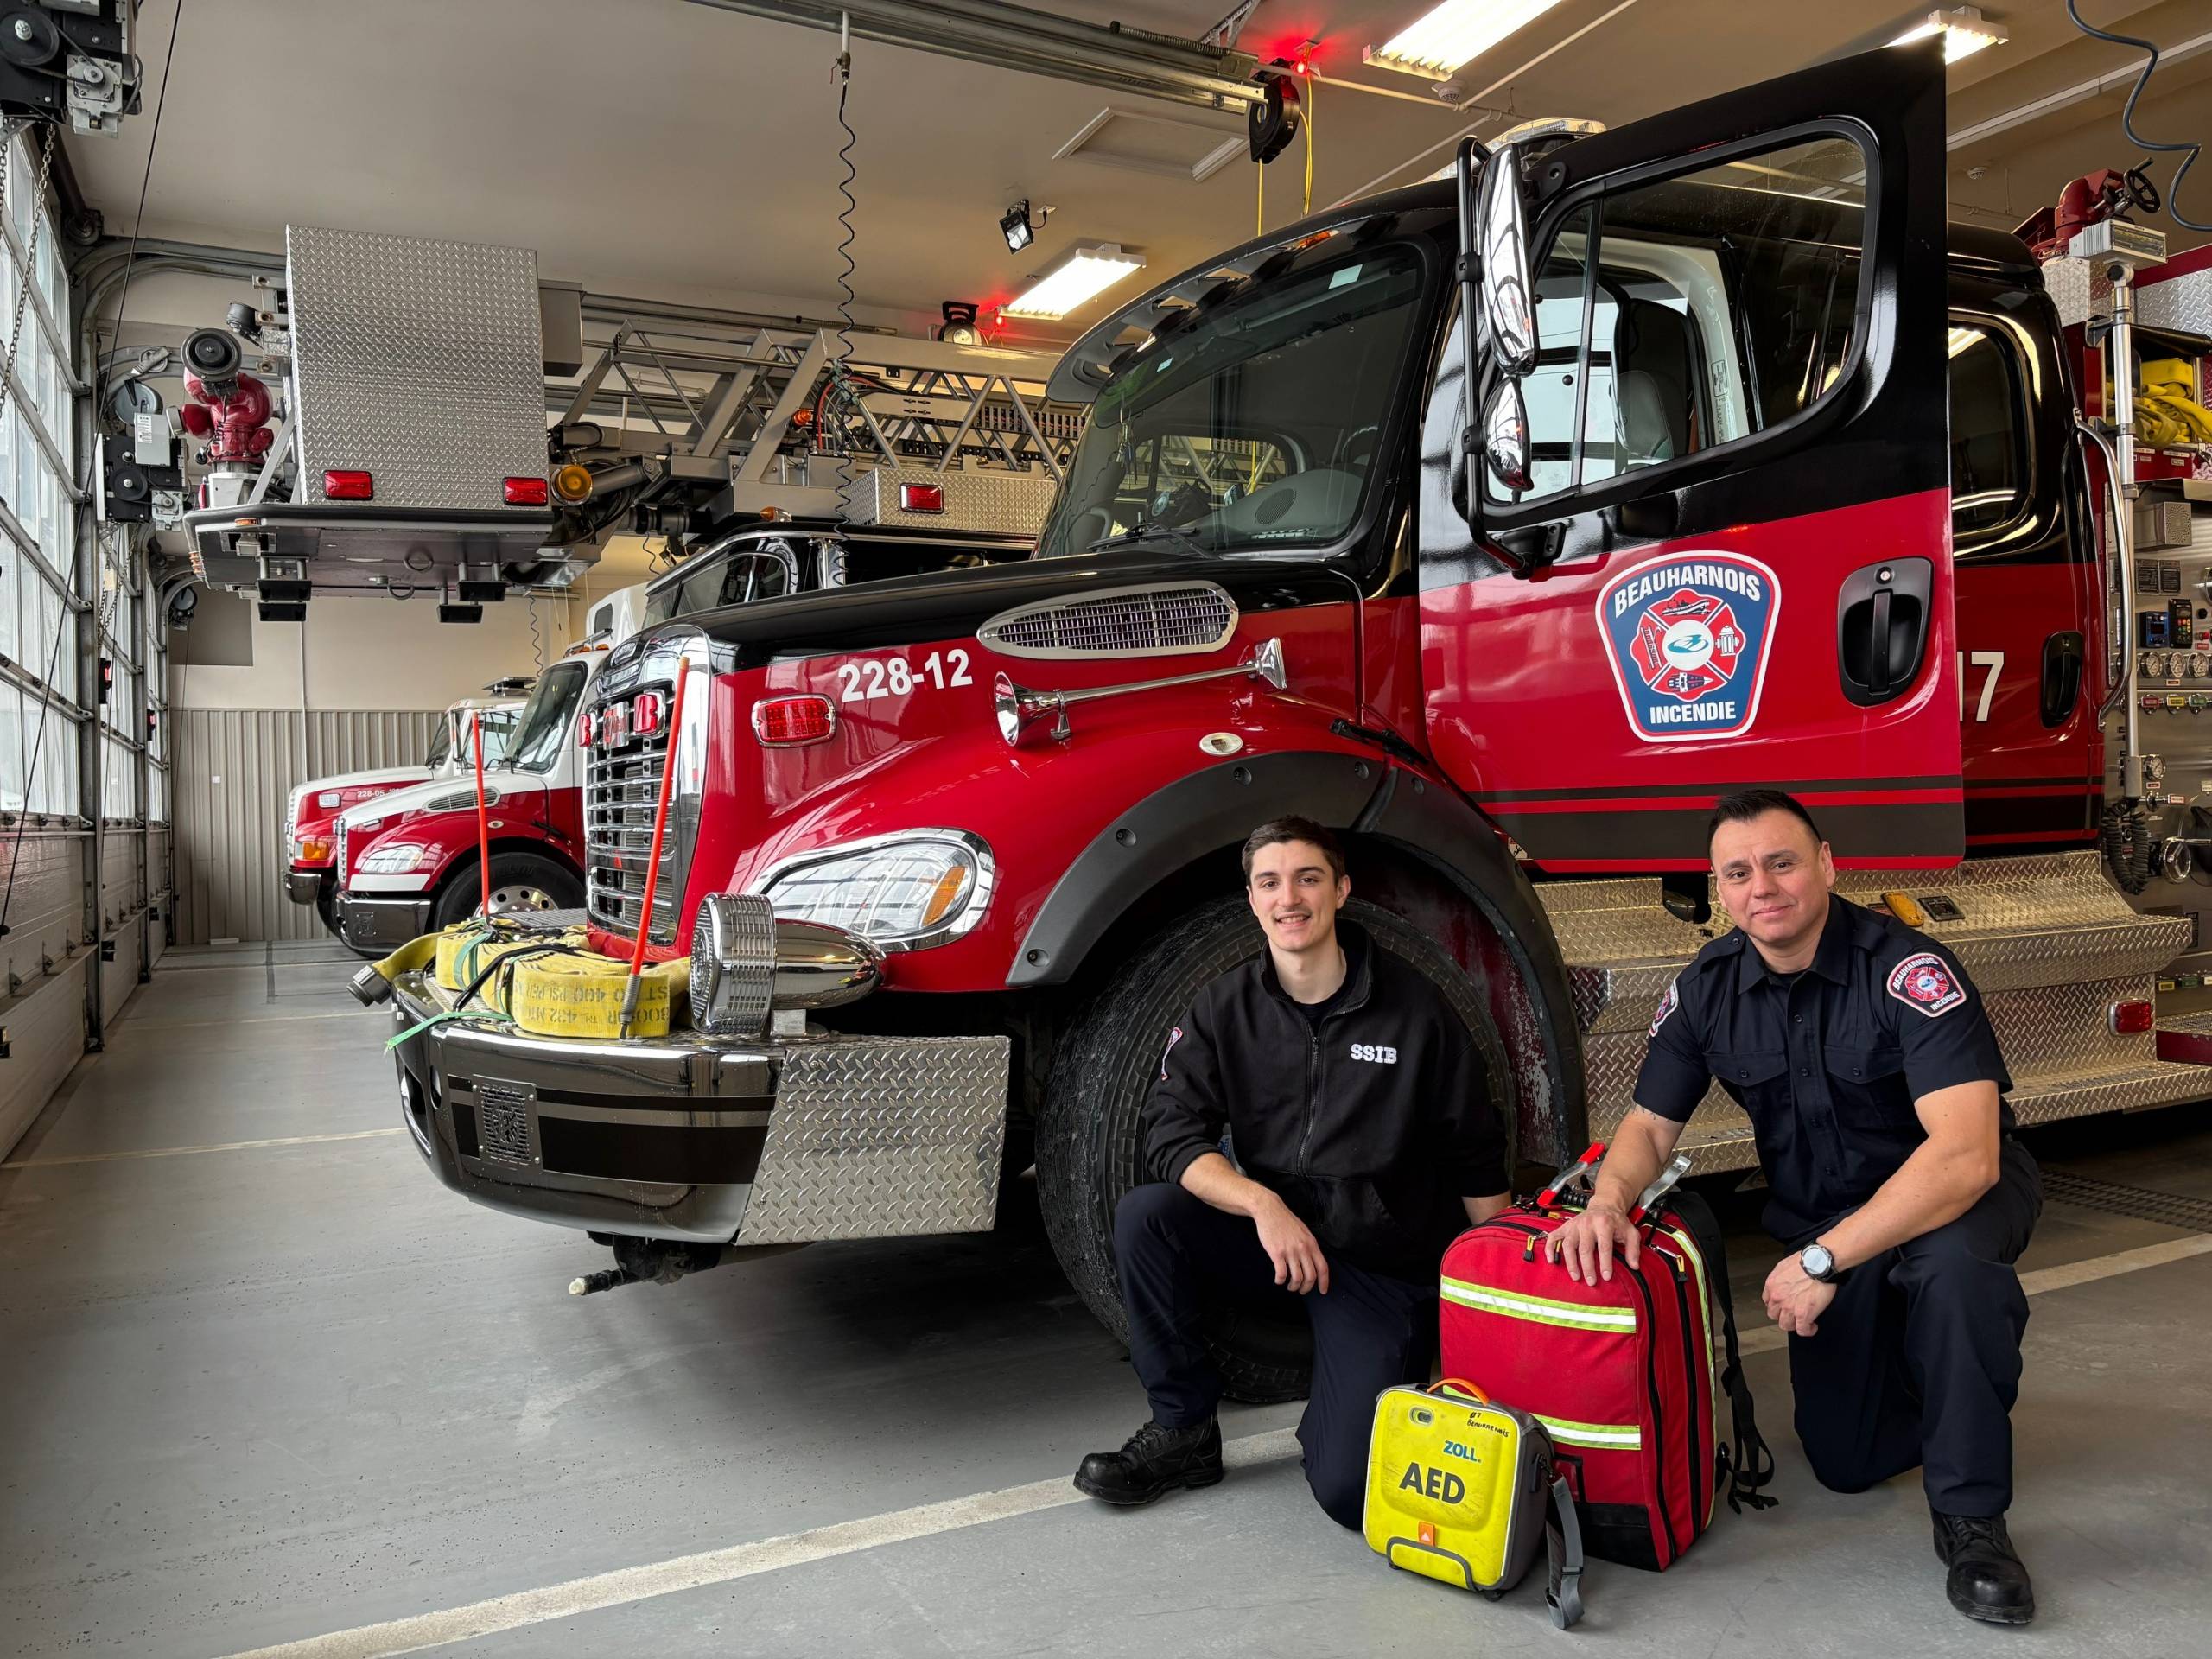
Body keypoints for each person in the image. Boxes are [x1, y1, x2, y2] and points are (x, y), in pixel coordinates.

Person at [1547, 789, 2042, 1625]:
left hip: (1953, 1196)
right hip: (1834, 1216)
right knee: (1846, 1461)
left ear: (1826, 864)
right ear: (1718, 889)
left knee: (1953, 1279)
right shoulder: (1708, 987)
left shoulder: (1906, 968)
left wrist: (1822, 1261)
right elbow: (1646, 1124)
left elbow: (1965, 1156)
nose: (1760, 887)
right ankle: (1944, 1373)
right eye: (1736, 873)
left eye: (1780, 862)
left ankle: (1972, 1521)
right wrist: (1610, 1200)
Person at [1073, 817, 1512, 1528]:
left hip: (1380, 1272)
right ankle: (1184, 1432)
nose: (1290, 898)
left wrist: (1493, 1307)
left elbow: (1474, 1149)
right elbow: (1171, 1133)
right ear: (1251, 900)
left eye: (1307, 878)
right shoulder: (1226, 1006)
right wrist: (1262, 1207)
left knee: (1346, 1492)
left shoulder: (1415, 1010)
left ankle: (1349, 1403)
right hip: (1279, 1249)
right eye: (1269, 883)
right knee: (1147, 1217)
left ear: (1340, 889)